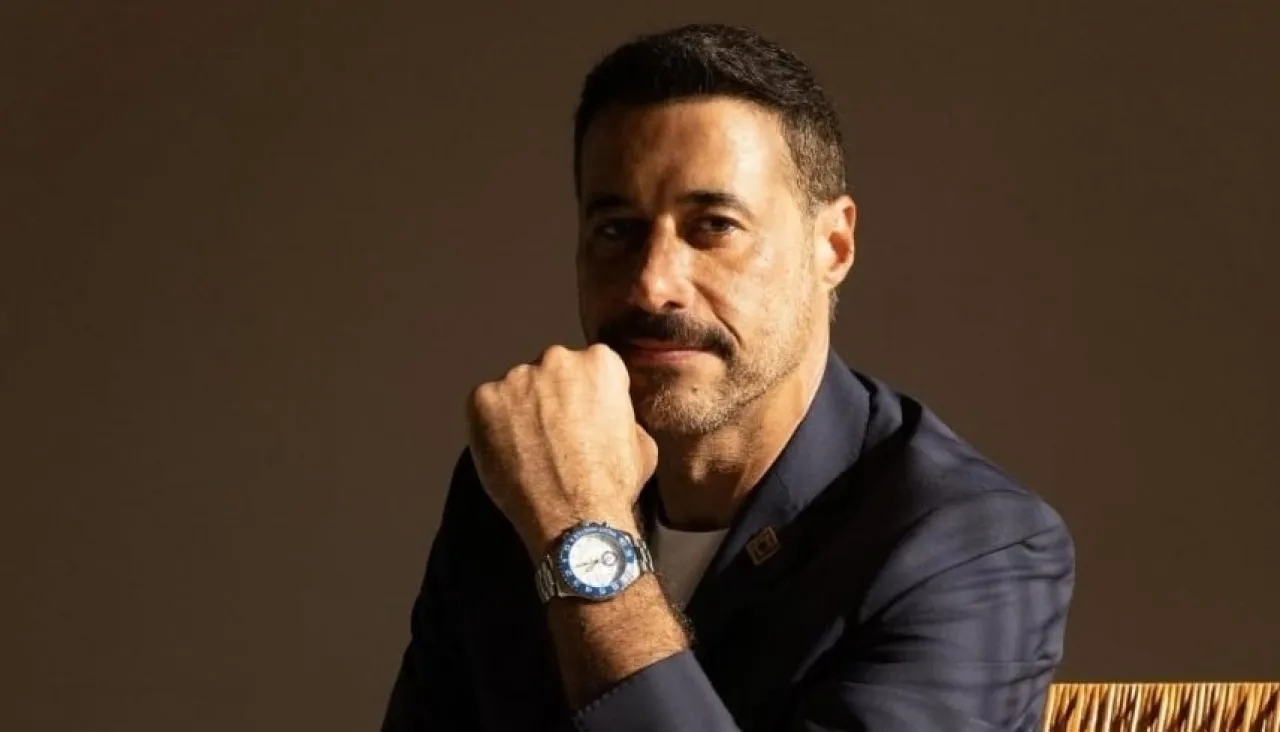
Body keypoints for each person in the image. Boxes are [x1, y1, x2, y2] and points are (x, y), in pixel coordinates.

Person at [381, 23, 1074, 732]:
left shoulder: (972, 546)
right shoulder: (519, 477)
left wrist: (582, 530)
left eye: (713, 226)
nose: (652, 286)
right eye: (616, 230)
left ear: (833, 246)